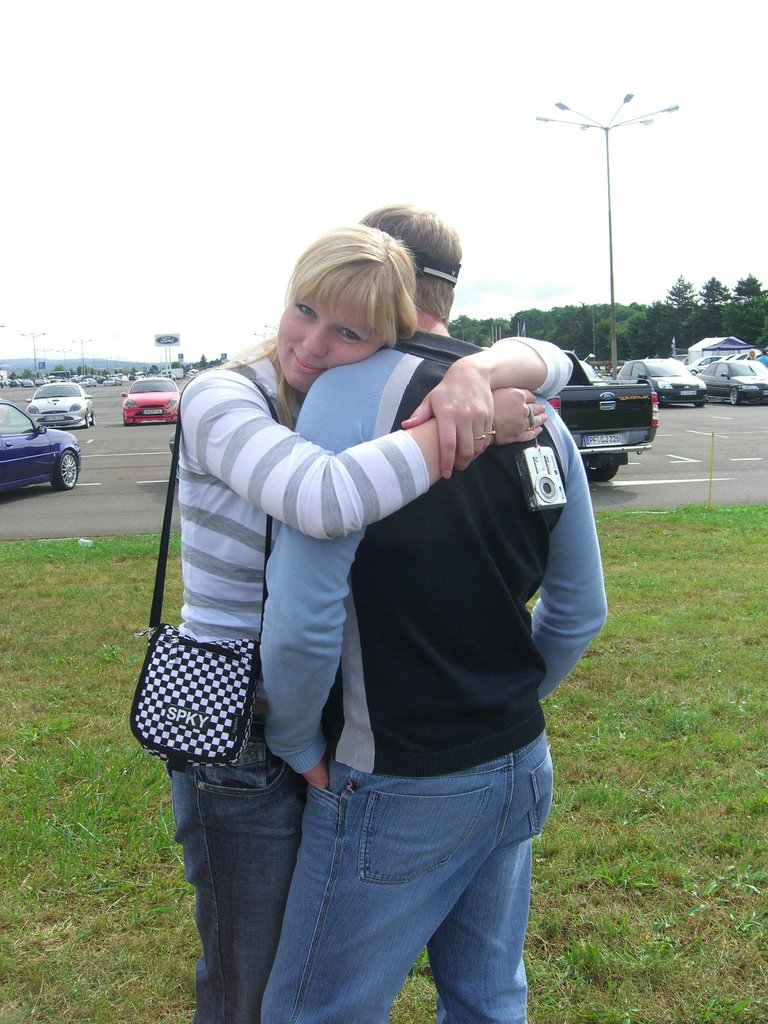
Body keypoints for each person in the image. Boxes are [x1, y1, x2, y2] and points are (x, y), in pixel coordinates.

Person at [169, 220, 571, 1024]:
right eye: (304, 310)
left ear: (389, 339)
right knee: (253, 979)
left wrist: (476, 372)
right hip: (245, 725)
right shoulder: (220, 395)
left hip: (324, 715)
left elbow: (558, 361)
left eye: (349, 332)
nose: (314, 344)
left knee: (306, 980)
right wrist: (466, 423)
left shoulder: (342, 397)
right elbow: (321, 498)